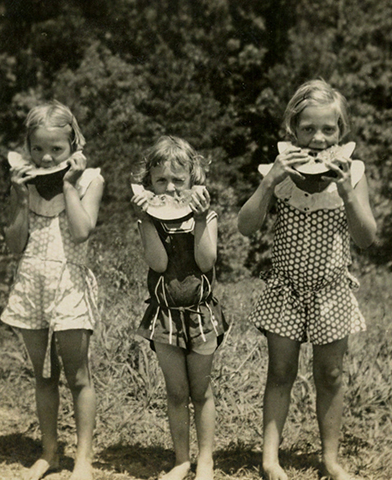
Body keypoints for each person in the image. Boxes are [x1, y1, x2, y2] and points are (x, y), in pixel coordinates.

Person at [237, 79, 377, 480]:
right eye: (308, 129)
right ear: (292, 131)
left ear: (341, 132)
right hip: (286, 290)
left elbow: (367, 238)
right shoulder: (277, 173)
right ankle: (269, 458)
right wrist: (269, 181)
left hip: (331, 292)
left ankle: (330, 459)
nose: (317, 138)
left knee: (330, 375)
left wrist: (347, 191)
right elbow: (246, 227)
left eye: (328, 129)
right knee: (280, 373)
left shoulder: (354, 173)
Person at [1, 100, 104, 480]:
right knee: (42, 375)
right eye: (38, 149)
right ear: (27, 149)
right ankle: (49, 452)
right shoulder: (25, 183)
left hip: (69, 284)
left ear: (74, 145)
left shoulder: (91, 179)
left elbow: (81, 230)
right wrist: (19, 199)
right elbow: (15, 243)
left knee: (78, 376)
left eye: (56, 150)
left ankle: (83, 460)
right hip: (31, 282)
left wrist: (67, 184)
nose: (46, 158)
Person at [131, 136, 229, 480]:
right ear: (149, 184)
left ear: (193, 180)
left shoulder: (208, 216)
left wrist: (201, 219)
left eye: (178, 180)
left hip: (200, 315)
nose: (170, 188)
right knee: (175, 392)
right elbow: (158, 264)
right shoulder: (149, 220)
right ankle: (181, 460)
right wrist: (145, 219)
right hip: (165, 318)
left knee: (201, 391)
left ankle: (206, 460)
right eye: (161, 181)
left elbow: (206, 261)